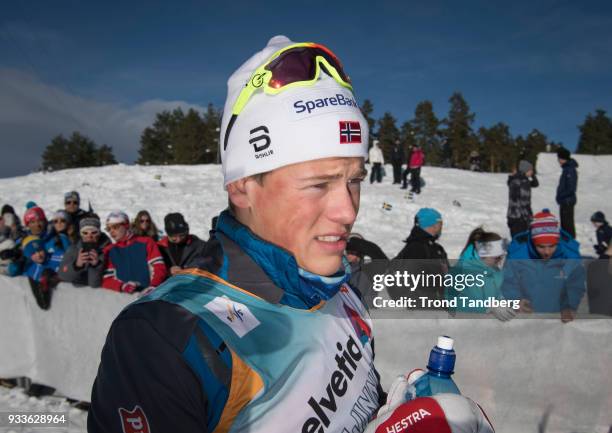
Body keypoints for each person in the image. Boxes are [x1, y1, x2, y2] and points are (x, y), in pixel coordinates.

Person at [89, 36, 492, 433]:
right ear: (243, 186)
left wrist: (400, 415)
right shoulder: (165, 336)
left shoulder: (336, 286)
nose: (348, 210)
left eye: (354, 180)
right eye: (319, 183)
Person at [501, 209, 585, 322]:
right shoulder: (517, 254)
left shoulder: (570, 255)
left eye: (551, 246)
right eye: (541, 246)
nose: (547, 252)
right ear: (533, 241)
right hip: (525, 318)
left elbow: (575, 284)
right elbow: (508, 282)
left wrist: (569, 306)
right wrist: (515, 301)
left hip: (557, 319)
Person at [446, 227, 516, 321]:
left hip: (485, 329)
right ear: (483, 255)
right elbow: (453, 303)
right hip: (461, 327)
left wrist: (511, 307)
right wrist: (488, 308)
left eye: (502, 257)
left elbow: (498, 297)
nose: (500, 261)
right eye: (496, 258)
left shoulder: (495, 274)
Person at [389, 208, 448, 306]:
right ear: (431, 225)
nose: (440, 228)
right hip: (422, 308)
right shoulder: (416, 248)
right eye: (439, 224)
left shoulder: (436, 248)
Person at [101, 211, 167, 293]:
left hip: (149, 296)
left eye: (115, 227)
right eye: (108, 228)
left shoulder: (146, 242)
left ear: (126, 225)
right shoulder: (108, 250)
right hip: (122, 298)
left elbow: (159, 267)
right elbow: (106, 278)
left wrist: (154, 285)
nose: (111, 231)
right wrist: (122, 286)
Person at [59, 216, 110, 287]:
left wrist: (96, 266)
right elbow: (62, 275)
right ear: (81, 234)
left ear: (99, 233)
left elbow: (95, 285)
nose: (89, 236)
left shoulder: (108, 250)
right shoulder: (74, 249)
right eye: (85, 233)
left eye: (94, 232)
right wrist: (76, 266)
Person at [345, 233, 389, 309]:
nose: (350, 255)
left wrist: (358, 243)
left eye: (354, 252)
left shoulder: (369, 270)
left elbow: (383, 261)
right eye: (348, 251)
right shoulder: (337, 269)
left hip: (365, 314)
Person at [507, 159, 539, 237]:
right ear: (526, 170)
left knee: (516, 240)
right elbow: (525, 203)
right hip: (520, 217)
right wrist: (530, 217)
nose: (532, 172)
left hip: (512, 215)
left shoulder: (515, 179)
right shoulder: (523, 182)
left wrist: (531, 175)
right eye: (531, 170)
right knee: (521, 240)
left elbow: (535, 184)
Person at [555, 147, 578, 238]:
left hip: (567, 201)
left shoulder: (570, 170)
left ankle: (570, 245)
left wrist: (560, 196)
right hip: (564, 201)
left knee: (568, 226)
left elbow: (571, 188)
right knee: (564, 226)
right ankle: (566, 245)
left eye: (559, 158)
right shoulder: (566, 169)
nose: (558, 161)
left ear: (563, 158)